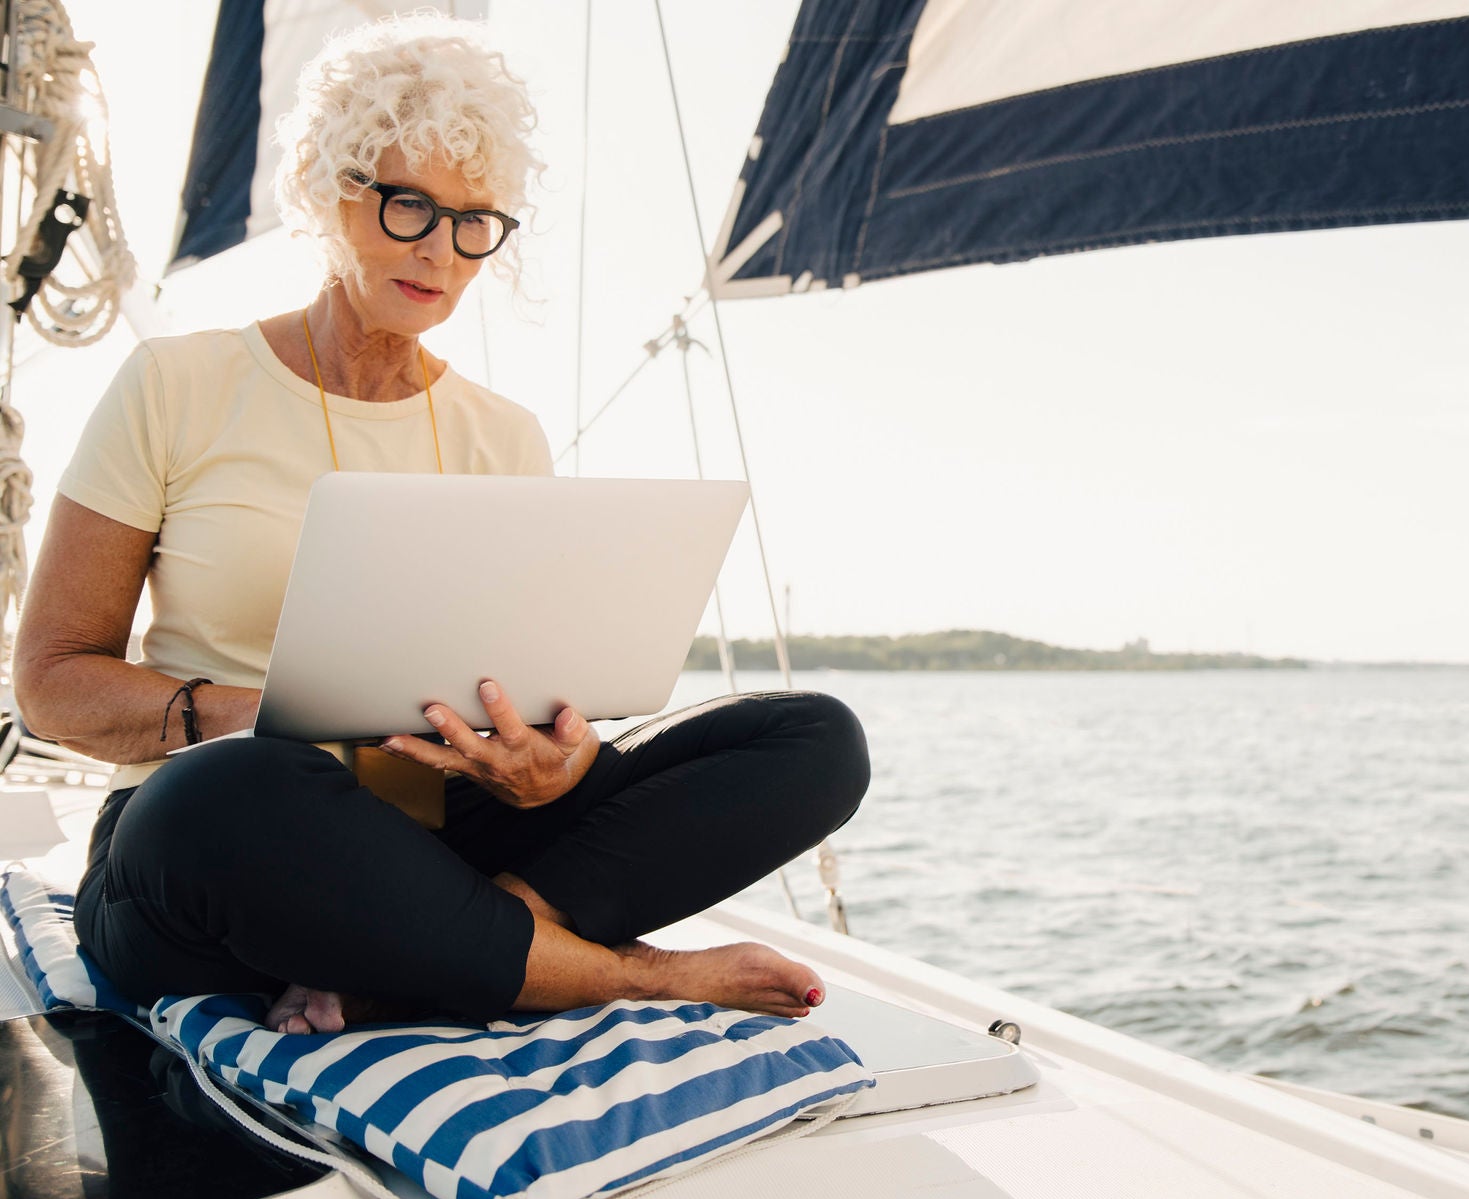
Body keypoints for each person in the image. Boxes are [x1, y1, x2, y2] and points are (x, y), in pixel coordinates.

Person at [13, 17, 866, 1034]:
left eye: (475, 222)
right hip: (218, 840)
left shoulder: (502, 436)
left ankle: (450, 955)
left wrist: (550, 764)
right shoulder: (177, 383)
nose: (440, 250)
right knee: (229, 794)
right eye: (408, 205)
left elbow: (526, 691)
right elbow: (53, 682)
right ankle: (625, 975)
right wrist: (260, 715)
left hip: (431, 833)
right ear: (331, 193)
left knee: (814, 738)